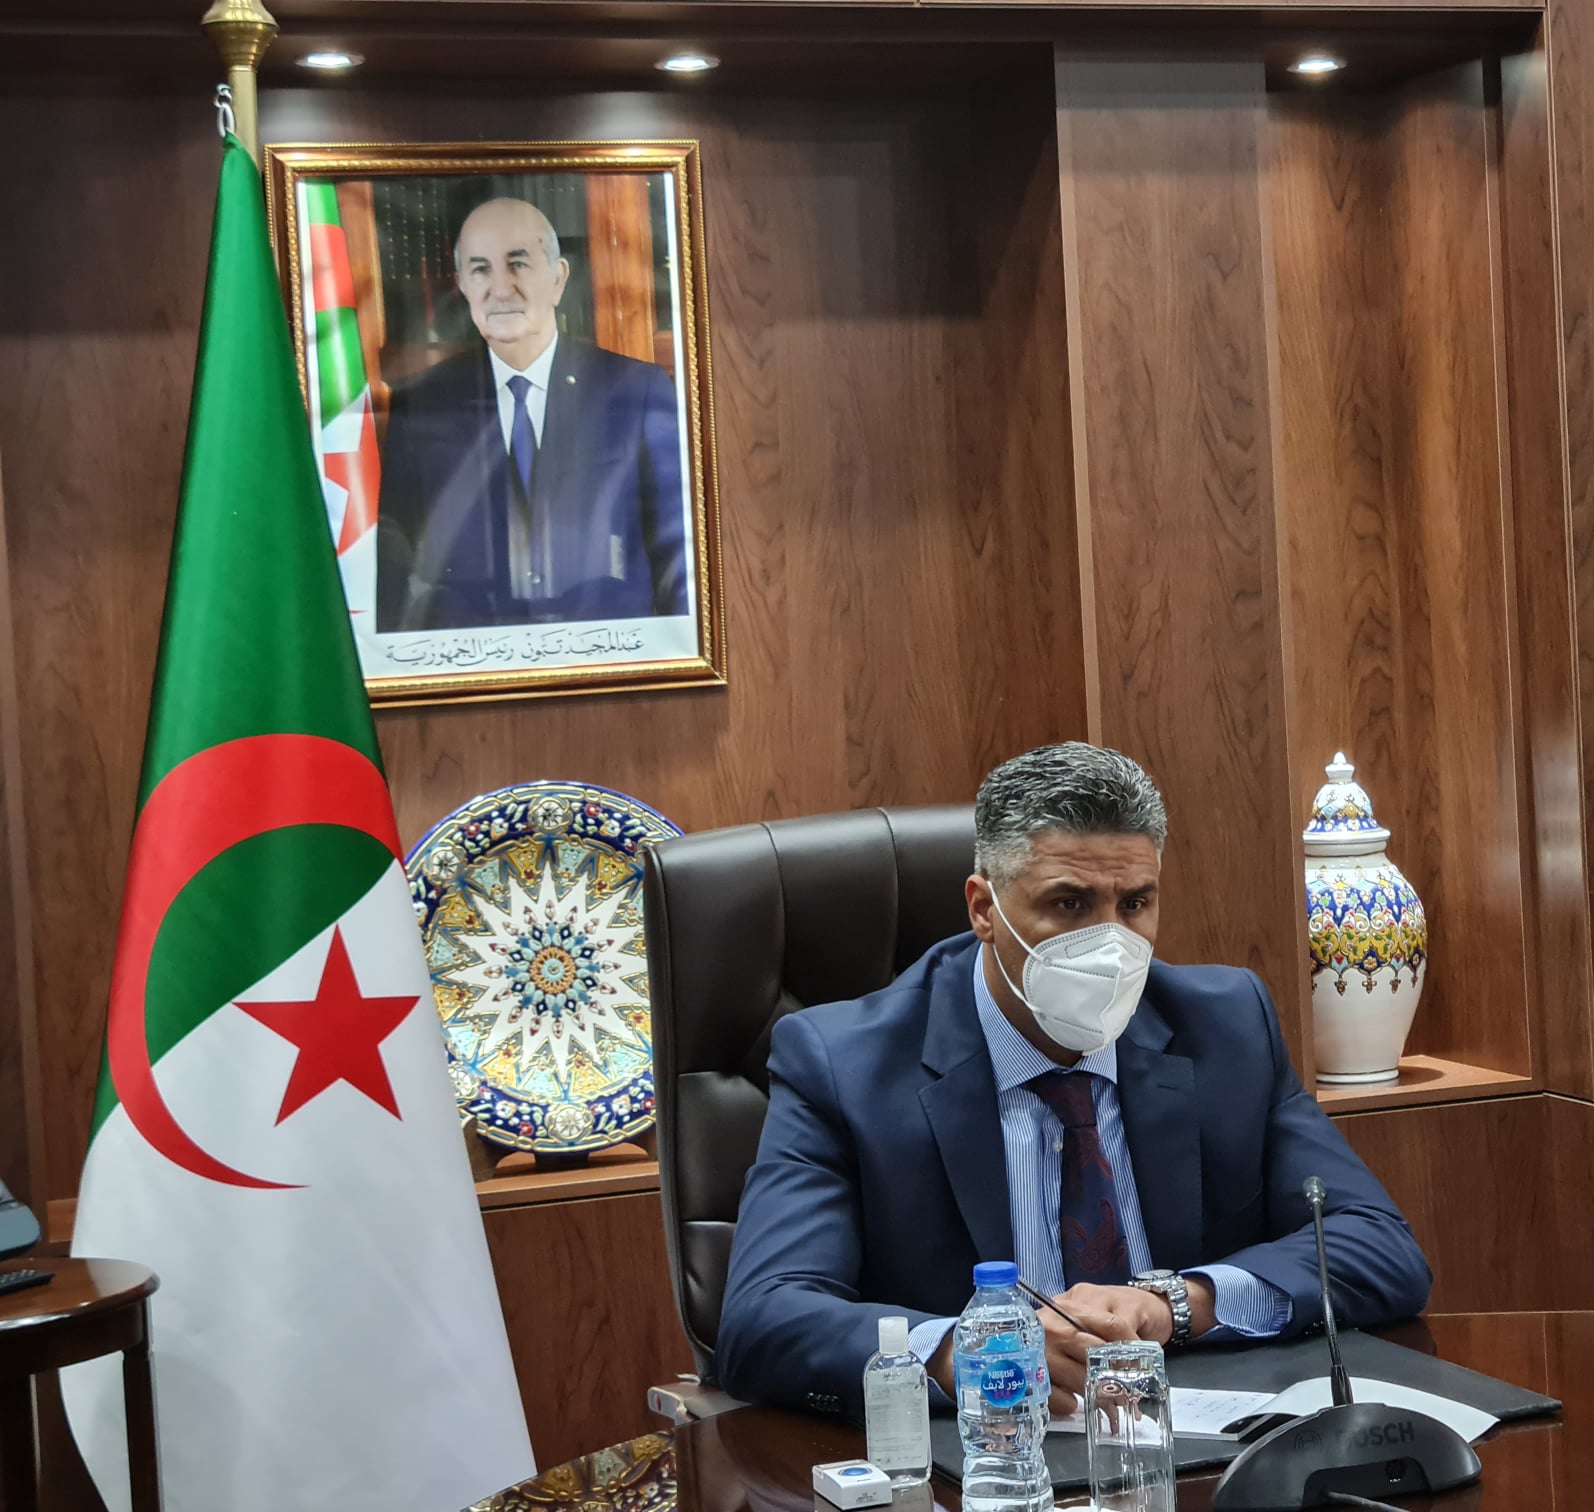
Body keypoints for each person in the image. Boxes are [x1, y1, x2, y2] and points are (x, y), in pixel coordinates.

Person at [714, 743, 1432, 1419]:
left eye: (1135, 904)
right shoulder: (843, 1065)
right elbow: (763, 1317)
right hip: (986, 1452)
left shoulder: (1224, 1027)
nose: (1110, 943)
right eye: (1069, 905)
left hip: (1190, 1438)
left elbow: (1378, 1247)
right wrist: (960, 1354)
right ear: (984, 909)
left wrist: (1179, 1303)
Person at [375, 196, 690, 633]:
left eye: (518, 264)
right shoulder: (422, 403)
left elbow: (680, 553)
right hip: (472, 660)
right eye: (481, 270)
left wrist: (677, 659)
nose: (501, 289)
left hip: (609, 656)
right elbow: (394, 554)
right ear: (462, 285)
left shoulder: (635, 392)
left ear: (558, 279)